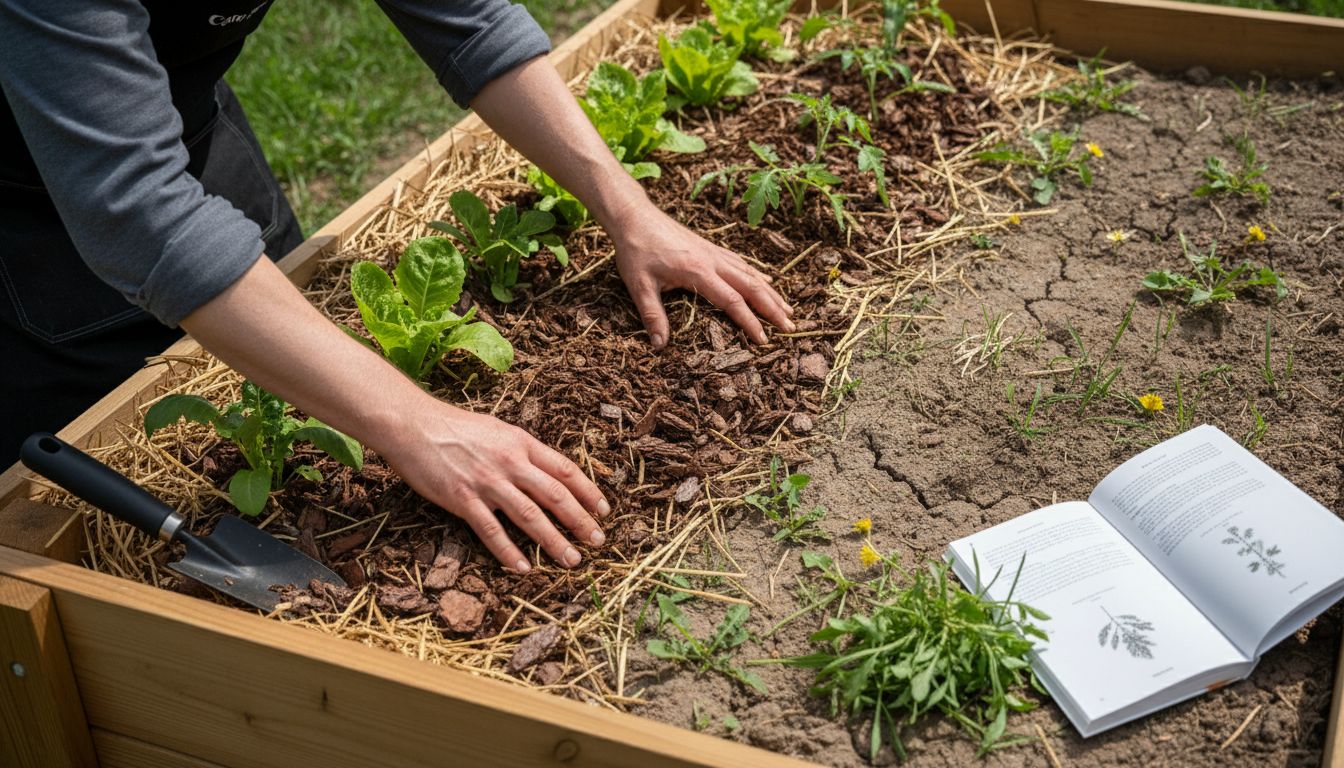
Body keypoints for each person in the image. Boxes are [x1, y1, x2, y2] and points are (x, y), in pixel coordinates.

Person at [0, 0, 794, 571]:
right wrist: (415, 422)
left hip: (181, 124)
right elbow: (141, 215)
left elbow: (470, 21)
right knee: (83, 498)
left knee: (280, 342)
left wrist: (631, 213)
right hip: (30, 217)